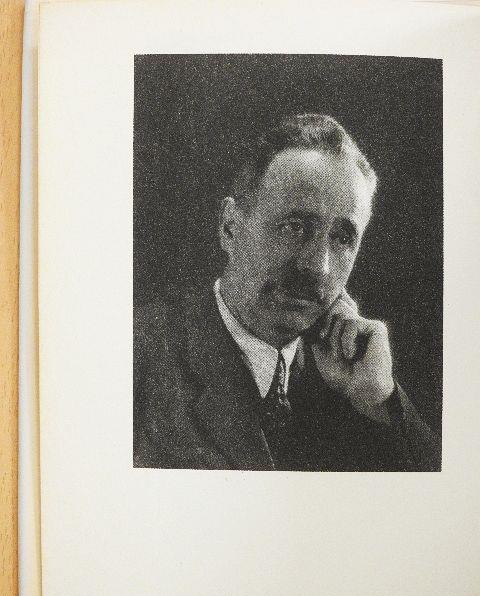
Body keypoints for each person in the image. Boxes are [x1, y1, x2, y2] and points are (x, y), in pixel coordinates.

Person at [134, 113, 441, 471]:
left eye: (343, 238)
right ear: (231, 228)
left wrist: (378, 402)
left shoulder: (356, 383)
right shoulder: (138, 355)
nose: (319, 266)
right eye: (295, 227)